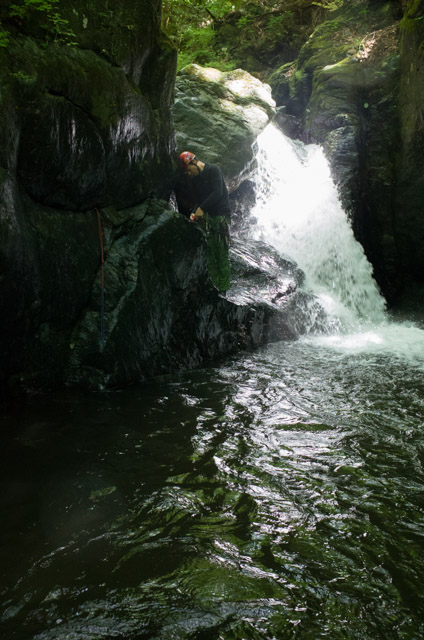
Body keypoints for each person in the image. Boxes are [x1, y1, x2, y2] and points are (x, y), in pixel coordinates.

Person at [176, 151, 231, 294]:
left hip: (221, 216)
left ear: (194, 162)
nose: (189, 173)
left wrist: (201, 208)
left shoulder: (213, 170)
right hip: (207, 217)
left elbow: (217, 193)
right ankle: (215, 289)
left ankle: (224, 289)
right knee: (210, 254)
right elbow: (198, 202)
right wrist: (195, 212)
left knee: (221, 253)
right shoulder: (194, 180)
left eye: (189, 170)